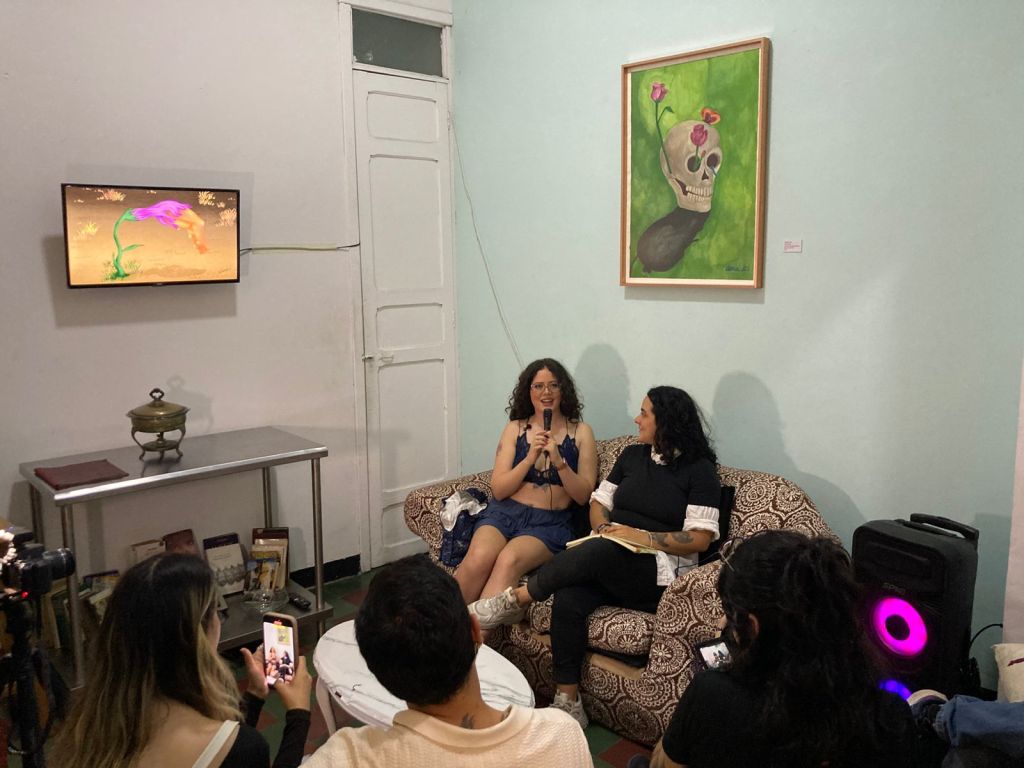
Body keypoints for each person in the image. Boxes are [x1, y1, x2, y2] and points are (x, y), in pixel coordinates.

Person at [469, 386, 722, 727]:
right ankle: (568, 699)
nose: (637, 419)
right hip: (611, 555)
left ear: (666, 422)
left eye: (644, 413)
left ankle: (515, 598)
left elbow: (700, 538)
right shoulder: (632, 456)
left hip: (658, 570)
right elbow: (599, 502)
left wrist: (639, 537)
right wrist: (603, 527)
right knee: (570, 595)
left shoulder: (698, 470)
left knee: (602, 551)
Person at [642, 530, 931, 768]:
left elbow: (664, 763)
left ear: (753, 627)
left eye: (730, 615)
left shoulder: (712, 694)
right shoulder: (891, 715)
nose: (721, 622)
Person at [303, 553, 594, 767]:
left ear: (378, 672)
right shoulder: (562, 735)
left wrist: (296, 715)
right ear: (476, 632)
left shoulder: (346, 757)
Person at [53, 552, 313, 768]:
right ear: (199, 634)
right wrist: (299, 713)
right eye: (215, 611)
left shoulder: (90, 730)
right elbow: (230, 754)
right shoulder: (243, 749)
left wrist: (254, 696)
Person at [454, 358, 597, 605]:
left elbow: (583, 495)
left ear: (563, 390)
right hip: (505, 512)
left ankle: (475, 629)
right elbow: (499, 490)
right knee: (479, 555)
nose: (546, 393)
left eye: (553, 385)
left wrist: (559, 461)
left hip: (549, 523)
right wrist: (529, 458)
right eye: (538, 386)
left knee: (509, 559)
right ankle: (440, 623)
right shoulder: (515, 428)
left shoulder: (582, 432)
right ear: (528, 391)